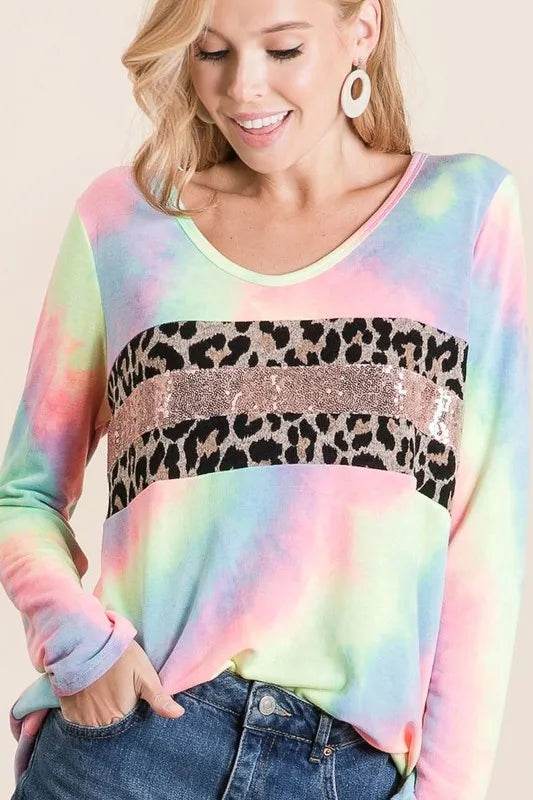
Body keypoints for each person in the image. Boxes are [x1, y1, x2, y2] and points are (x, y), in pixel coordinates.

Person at [1, 0, 529, 798]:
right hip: (132, 750)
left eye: (282, 50)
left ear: (361, 30)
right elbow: (23, 494)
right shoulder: (126, 220)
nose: (243, 88)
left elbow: (483, 544)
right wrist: (78, 646)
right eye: (211, 52)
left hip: (344, 770)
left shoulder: (462, 214)